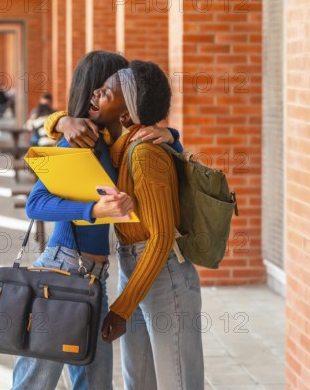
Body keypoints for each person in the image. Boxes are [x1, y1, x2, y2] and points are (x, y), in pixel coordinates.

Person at [12, 51, 183, 390]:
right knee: (35, 383)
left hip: (95, 279)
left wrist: (171, 134)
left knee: (95, 384)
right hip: (63, 271)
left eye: (112, 89)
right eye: (105, 86)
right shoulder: (80, 140)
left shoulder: (112, 142)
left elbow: (147, 140)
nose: (101, 94)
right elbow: (36, 204)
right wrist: (93, 210)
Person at [53, 61, 204, 389]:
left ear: (124, 117)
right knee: (139, 383)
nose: (96, 94)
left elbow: (162, 237)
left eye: (105, 92)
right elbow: (62, 121)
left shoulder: (143, 155)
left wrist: (120, 310)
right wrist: (61, 121)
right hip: (134, 270)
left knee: (176, 383)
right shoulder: (116, 146)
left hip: (165, 276)